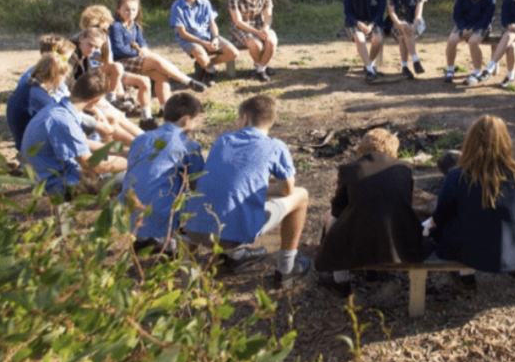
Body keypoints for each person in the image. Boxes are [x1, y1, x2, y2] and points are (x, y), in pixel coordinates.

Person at [183, 95, 311, 288]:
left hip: (194, 227)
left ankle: (235, 258)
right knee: (301, 195)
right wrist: (267, 188)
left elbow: (224, 180)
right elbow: (287, 190)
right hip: (233, 235)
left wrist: (254, 186)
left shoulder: (223, 139)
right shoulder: (276, 147)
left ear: (244, 118)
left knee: (225, 195)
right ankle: (286, 269)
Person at [314, 128, 428, 297]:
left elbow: (338, 209)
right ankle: (373, 271)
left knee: (331, 218)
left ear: (364, 146)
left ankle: (341, 281)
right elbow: (405, 203)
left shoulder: (349, 169)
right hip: (396, 238)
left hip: (360, 237)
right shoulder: (404, 168)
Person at [429, 115, 515, 286]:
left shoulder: (457, 176)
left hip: (469, 250)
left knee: (449, 226)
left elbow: (441, 215)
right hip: (513, 246)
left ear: (470, 142)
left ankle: (465, 273)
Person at [121, 92, 205, 258]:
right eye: (197, 119)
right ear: (187, 120)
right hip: (159, 211)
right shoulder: (188, 145)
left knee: (148, 184)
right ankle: (172, 244)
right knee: (194, 196)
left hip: (128, 210)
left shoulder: (141, 138)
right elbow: (198, 184)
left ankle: (144, 238)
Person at [21, 69, 128, 199]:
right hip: (55, 184)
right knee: (136, 177)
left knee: (124, 166)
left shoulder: (58, 110)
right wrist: (133, 161)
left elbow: (84, 144)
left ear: (73, 87)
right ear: (95, 100)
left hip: (52, 174)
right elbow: (93, 165)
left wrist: (123, 153)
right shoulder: (64, 120)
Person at [110, 0, 208, 110]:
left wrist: (144, 49)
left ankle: (165, 108)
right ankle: (187, 80)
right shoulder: (116, 26)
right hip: (121, 64)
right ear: (118, 10)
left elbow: (142, 42)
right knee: (156, 61)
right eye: (126, 10)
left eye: (134, 10)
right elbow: (118, 49)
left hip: (135, 60)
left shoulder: (134, 25)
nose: (130, 13)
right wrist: (137, 52)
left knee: (160, 74)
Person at [7, 35, 74, 152]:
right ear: (56, 74)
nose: (64, 80)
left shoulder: (38, 84)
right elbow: (58, 124)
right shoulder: (36, 94)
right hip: (36, 151)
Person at [170, 0, 240, 85]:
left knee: (233, 53)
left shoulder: (205, 3)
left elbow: (212, 24)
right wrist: (204, 43)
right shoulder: (177, 6)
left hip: (208, 36)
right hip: (189, 39)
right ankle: (211, 73)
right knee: (200, 53)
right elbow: (182, 33)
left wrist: (216, 38)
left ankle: (205, 65)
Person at [444, 0, 496, 84]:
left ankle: (477, 71)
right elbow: (457, 16)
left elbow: (486, 20)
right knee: (452, 40)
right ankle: (450, 70)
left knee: (473, 42)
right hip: (464, 26)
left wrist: (473, 30)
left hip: (482, 26)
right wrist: (463, 28)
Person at [229, 0, 278, 82]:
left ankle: (260, 68)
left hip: (260, 26)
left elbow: (268, 17)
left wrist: (265, 29)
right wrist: (257, 33)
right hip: (240, 28)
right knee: (256, 45)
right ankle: (262, 67)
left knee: (271, 41)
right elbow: (237, 21)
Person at [343, 0, 387, 82]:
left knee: (378, 40)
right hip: (355, 23)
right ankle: (370, 70)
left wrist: (371, 25)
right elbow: (347, 12)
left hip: (373, 24)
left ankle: (369, 64)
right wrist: (358, 23)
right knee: (359, 37)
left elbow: (380, 13)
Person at [384, 0, 428, 79]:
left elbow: (418, 14)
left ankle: (405, 66)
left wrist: (412, 24)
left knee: (406, 32)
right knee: (402, 34)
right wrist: (399, 23)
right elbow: (392, 12)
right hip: (395, 21)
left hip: (414, 21)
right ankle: (415, 61)